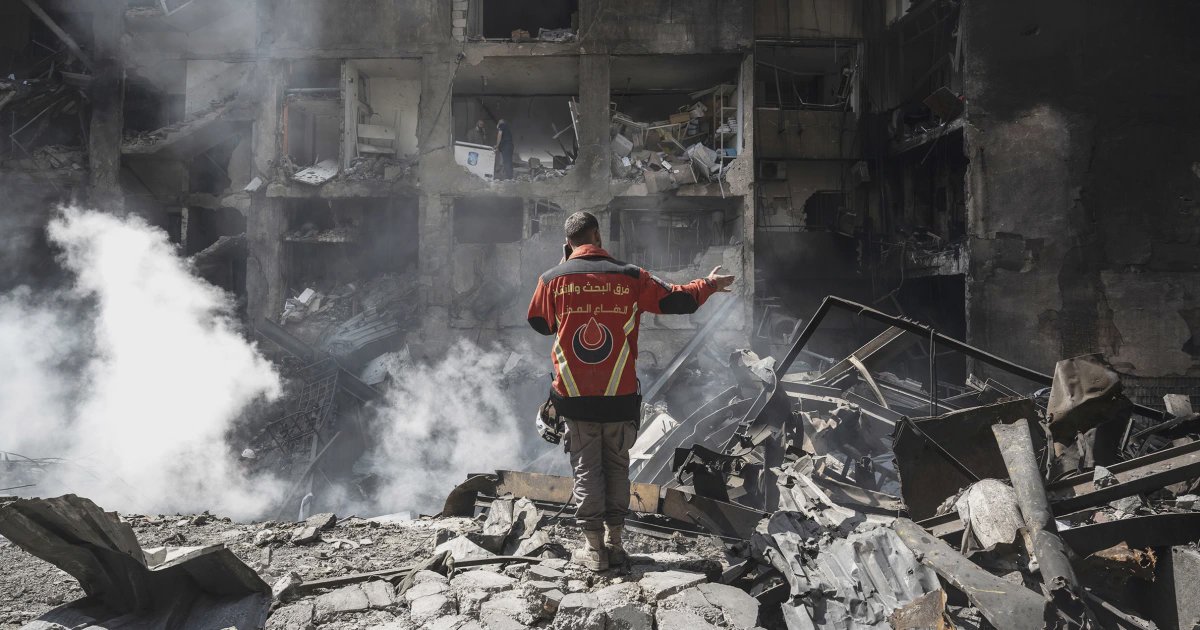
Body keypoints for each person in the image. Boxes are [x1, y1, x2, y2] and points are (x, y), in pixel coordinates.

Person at [526, 211, 735, 571]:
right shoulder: (630, 276)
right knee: (618, 469)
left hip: (575, 400)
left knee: (587, 471)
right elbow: (677, 300)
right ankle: (616, 544)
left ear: (569, 242)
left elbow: (540, 324)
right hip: (619, 399)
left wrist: (564, 269)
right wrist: (710, 284)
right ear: (598, 235)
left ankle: (594, 551)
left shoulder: (551, 280)